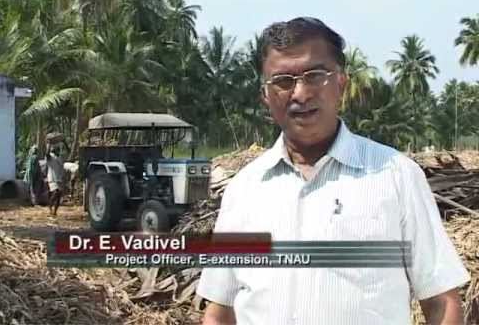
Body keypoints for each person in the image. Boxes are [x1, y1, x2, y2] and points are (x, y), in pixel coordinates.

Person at [197, 17, 470, 325]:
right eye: (283, 81)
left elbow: (442, 303)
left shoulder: (396, 176)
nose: (300, 93)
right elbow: (219, 313)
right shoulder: (245, 189)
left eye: (314, 76)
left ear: (341, 82)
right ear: (265, 96)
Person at [45, 142, 65, 216]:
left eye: (58, 150)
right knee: (56, 192)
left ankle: (55, 211)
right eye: (57, 150)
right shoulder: (50, 157)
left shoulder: (59, 158)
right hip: (52, 178)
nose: (58, 151)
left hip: (59, 178)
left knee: (59, 196)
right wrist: (48, 145)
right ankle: (50, 206)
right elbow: (47, 154)